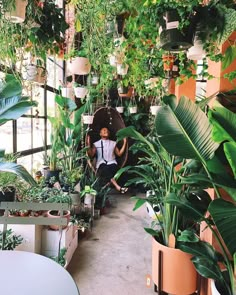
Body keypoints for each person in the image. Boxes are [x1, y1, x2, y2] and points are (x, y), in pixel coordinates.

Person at [86, 127, 128, 194]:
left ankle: (109, 186)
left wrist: (125, 142)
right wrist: (88, 143)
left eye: (107, 131)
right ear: (100, 134)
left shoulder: (113, 143)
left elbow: (119, 154)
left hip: (112, 163)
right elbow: (91, 155)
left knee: (110, 169)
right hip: (101, 164)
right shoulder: (96, 144)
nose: (106, 131)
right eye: (104, 130)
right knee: (104, 168)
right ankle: (118, 187)